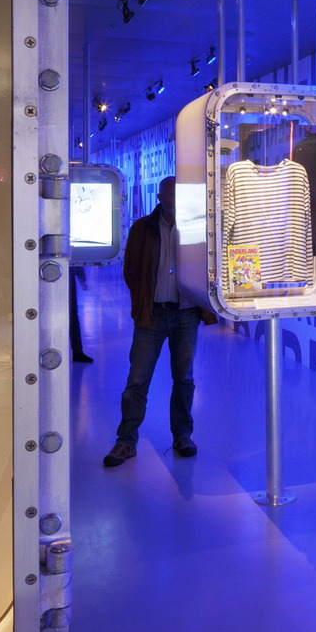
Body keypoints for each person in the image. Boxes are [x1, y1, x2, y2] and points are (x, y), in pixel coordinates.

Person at [104, 177, 215, 465]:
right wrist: (143, 301)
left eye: (179, 193)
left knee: (184, 378)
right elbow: (131, 272)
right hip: (151, 315)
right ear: (159, 196)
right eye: (170, 193)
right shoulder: (142, 228)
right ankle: (126, 441)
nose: (175, 198)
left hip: (186, 314)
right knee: (137, 381)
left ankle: (182, 436)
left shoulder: (197, 228)